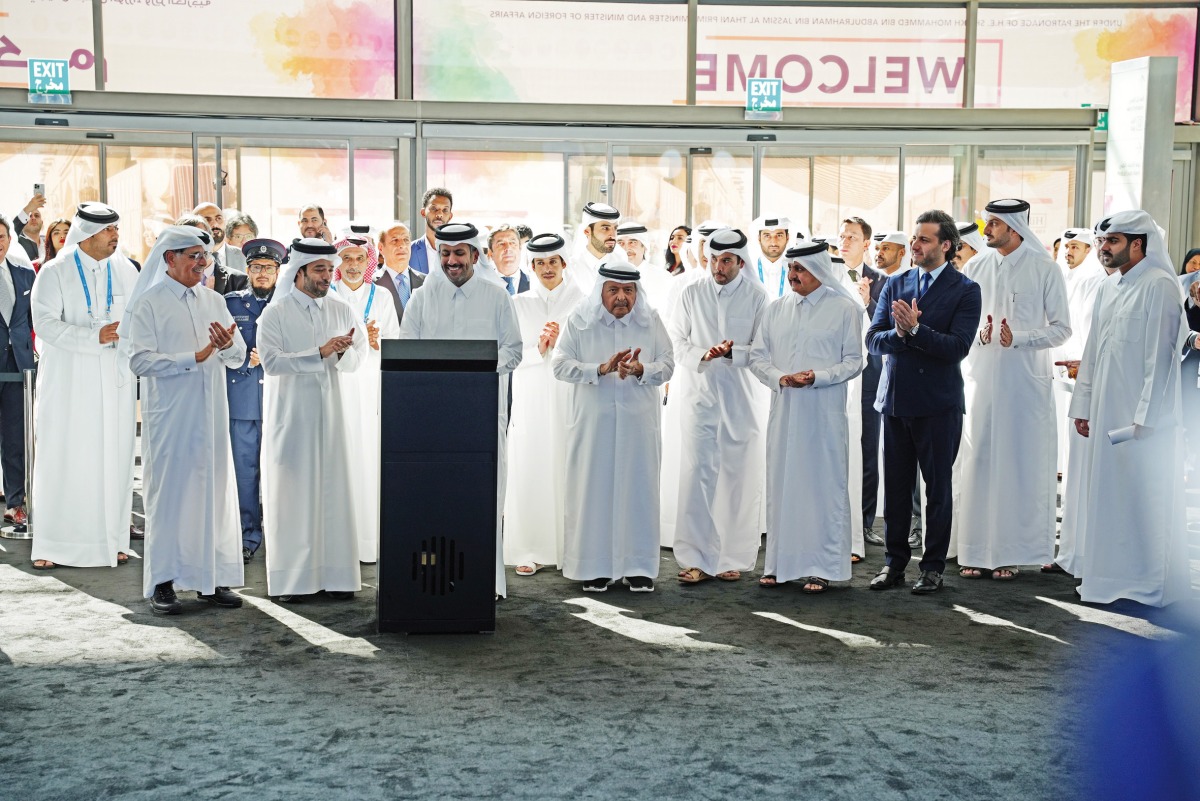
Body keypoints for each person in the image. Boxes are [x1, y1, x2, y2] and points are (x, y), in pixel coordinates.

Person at [1067, 210, 1190, 607]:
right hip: (1105, 411)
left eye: (1113, 241)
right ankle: (1108, 580)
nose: (1103, 248)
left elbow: (1162, 357)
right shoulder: (1109, 287)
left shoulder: (1159, 285)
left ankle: (1149, 585)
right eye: (1102, 241)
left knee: (1144, 498)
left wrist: (1147, 418)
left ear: (1139, 244)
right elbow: (1093, 352)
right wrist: (1083, 406)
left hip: (1144, 421)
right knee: (1108, 496)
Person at [123, 225, 247, 615]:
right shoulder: (149, 303)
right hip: (171, 417)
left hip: (212, 415)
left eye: (204, 256)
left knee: (212, 492)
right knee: (170, 496)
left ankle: (212, 580)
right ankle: (163, 583)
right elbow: (139, 361)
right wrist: (192, 358)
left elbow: (239, 358)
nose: (202, 263)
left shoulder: (214, 300)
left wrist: (227, 347)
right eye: (193, 256)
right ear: (169, 259)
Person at [399, 222, 522, 598]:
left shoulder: (496, 296)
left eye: (459, 253)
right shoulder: (422, 297)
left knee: (482, 497)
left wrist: (476, 371)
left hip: (482, 415)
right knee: (436, 498)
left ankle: (485, 582)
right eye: (445, 254)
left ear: (475, 255)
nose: (452, 261)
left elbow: (514, 350)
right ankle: (437, 580)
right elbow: (407, 350)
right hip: (433, 418)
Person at [954, 199, 1071, 582]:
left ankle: (1011, 553)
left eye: (993, 224)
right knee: (979, 461)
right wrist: (981, 334)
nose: (986, 231)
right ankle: (974, 549)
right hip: (982, 381)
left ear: (1014, 227)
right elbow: (963, 323)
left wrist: (1018, 338)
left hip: (1024, 385)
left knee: (1017, 464)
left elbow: (1062, 329)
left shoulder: (1045, 268)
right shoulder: (976, 267)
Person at [866, 209, 981, 595]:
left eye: (924, 239)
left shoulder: (966, 290)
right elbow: (873, 340)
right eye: (914, 238)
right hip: (895, 402)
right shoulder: (895, 283)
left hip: (938, 406)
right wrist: (900, 335)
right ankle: (894, 564)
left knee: (938, 490)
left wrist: (915, 330)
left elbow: (957, 348)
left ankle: (932, 568)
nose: (914, 245)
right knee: (896, 490)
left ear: (946, 245)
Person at [29, 203, 140, 571]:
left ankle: (113, 541)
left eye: (116, 229)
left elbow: (140, 318)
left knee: (113, 459)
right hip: (68, 384)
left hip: (114, 382)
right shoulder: (54, 272)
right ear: (88, 233)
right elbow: (44, 325)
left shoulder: (125, 270)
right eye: (109, 230)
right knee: (64, 457)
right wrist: (94, 337)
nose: (115, 236)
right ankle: (53, 544)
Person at [552, 258, 674, 593]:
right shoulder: (580, 320)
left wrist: (642, 370)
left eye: (628, 290)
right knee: (594, 492)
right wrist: (599, 369)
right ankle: (594, 567)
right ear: (600, 291)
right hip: (594, 425)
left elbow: (668, 364)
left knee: (638, 492)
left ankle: (638, 567)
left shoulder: (650, 320)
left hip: (638, 425)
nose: (622, 297)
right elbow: (559, 365)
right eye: (614, 290)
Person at [750, 239, 865, 591]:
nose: (792, 274)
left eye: (799, 268)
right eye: (791, 268)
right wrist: (779, 378)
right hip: (785, 411)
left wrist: (819, 377)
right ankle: (778, 565)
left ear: (818, 270)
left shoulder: (844, 309)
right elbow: (757, 357)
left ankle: (822, 567)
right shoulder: (776, 309)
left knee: (822, 487)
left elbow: (854, 361)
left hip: (824, 414)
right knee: (783, 485)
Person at [257, 238, 367, 602]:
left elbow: (359, 358)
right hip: (292, 418)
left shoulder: (342, 309)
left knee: (334, 492)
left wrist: (343, 353)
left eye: (330, 270)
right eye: (320, 269)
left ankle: (338, 577)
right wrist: (319, 352)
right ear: (299, 272)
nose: (327, 276)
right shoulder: (276, 313)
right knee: (294, 495)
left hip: (333, 415)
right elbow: (271, 362)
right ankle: (293, 581)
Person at [670, 228, 768, 584]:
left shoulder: (758, 297)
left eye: (726, 261)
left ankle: (731, 557)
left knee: (737, 476)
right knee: (697, 473)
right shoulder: (691, 293)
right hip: (699, 396)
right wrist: (704, 354)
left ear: (740, 262)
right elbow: (676, 342)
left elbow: (763, 349)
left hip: (742, 398)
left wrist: (732, 354)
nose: (718, 267)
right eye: (713, 259)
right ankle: (695, 557)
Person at [503, 233, 584, 576]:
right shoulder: (518, 303)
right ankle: (530, 548)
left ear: (564, 264)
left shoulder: (582, 302)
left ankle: (573, 550)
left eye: (553, 262)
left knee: (569, 466)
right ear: (532, 267)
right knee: (531, 465)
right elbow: (506, 355)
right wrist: (539, 348)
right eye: (540, 263)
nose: (547, 268)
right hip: (531, 397)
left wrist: (561, 343)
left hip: (570, 397)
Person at [1047, 221, 1113, 576]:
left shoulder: (1100, 282)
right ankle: (1070, 551)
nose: (1069, 252)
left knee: (1085, 470)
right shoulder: (1066, 279)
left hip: (1092, 386)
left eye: (1077, 247)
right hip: (1067, 381)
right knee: (1071, 471)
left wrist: (1085, 368)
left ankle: (1086, 554)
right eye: (1067, 246)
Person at [332, 234, 399, 563]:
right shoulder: (328, 295)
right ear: (338, 263)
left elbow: (397, 345)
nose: (354, 265)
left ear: (369, 262)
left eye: (360, 259)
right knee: (339, 459)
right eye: (347, 258)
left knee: (369, 459)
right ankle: (338, 543)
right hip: (336, 386)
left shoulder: (382, 296)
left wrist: (377, 342)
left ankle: (369, 542)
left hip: (371, 388)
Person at [224, 238, 285, 564]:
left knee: (282, 473)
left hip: (280, 403)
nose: (263, 273)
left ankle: (281, 537)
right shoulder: (231, 304)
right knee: (245, 474)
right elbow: (220, 348)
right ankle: (247, 536)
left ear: (278, 271)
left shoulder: (288, 303)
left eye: (269, 268)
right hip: (243, 402)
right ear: (247, 270)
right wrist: (244, 359)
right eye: (257, 267)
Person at [0, 217, 37, 526]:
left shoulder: (25, 273)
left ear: (9, 240)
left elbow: (34, 320)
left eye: (1, 236)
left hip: (18, 367)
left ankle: (15, 503)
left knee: (16, 438)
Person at [175, 214, 248, 294]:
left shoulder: (239, 281)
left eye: (201, 238)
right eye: (188, 240)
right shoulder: (172, 281)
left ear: (211, 239)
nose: (197, 244)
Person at [616, 221, 673, 311]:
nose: (626, 248)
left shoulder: (663, 277)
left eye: (632, 242)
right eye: (621, 243)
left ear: (645, 247)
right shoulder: (605, 277)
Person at [375, 221, 424, 323]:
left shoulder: (427, 282)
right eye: (395, 240)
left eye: (406, 240)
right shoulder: (371, 285)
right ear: (381, 248)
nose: (402, 245)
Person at [572, 202, 621, 292]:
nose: (613, 235)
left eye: (615, 228)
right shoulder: (571, 269)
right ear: (587, 232)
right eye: (605, 228)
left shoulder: (622, 266)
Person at [409, 188, 454, 275]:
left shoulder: (460, 251)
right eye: (434, 208)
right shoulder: (409, 251)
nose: (439, 214)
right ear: (423, 212)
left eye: (445, 210)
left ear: (450, 216)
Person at [751, 215, 792, 301]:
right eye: (767, 236)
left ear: (787, 238)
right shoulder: (749, 270)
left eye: (779, 235)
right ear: (759, 239)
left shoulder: (795, 271)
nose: (773, 242)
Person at [488, 223, 528, 296]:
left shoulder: (535, 284)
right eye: (501, 244)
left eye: (512, 243)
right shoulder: (479, 286)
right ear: (491, 253)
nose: (508, 248)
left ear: (520, 249)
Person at [13, 194, 45, 262]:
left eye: (37, 216)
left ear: (42, 223)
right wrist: (28, 209)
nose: (33, 218)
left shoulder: (49, 241)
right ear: (23, 223)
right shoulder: (15, 241)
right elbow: (10, 231)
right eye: (29, 216)